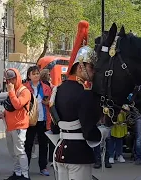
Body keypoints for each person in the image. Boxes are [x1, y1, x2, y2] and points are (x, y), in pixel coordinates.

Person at [51, 45, 104, 180]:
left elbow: (54, 126)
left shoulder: (58, 90)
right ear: (80, 67)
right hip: (78, 153)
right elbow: (89, 132)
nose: (93, 72)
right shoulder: (84, 94)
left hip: (61, 151)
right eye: (91, 67)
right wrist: (103, 133)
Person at [0, 68, 31, 180]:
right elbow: (11, 106)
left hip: (19, 125)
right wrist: (4, 113)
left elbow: (18, 105)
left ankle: (25, 175)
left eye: (12, 79)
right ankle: (17, 173)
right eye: (8, 79)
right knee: (13, 152)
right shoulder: (12, 90)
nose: (10, 81)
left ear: (16, 78)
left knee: (20, 151)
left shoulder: (25, 91)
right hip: (10, 125)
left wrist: (11, 92)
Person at [23, 65, 52, 176]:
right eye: (33, 74)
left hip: (43, 120)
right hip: (29, 120)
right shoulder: (24, 87)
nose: (36, 75)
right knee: (28, 145)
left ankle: (43, 167)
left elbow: (51, 102)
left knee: (44, 145)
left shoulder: (46, 87)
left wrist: (47, 103)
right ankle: (25, 168)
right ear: (29, 76)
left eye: (37, 73)